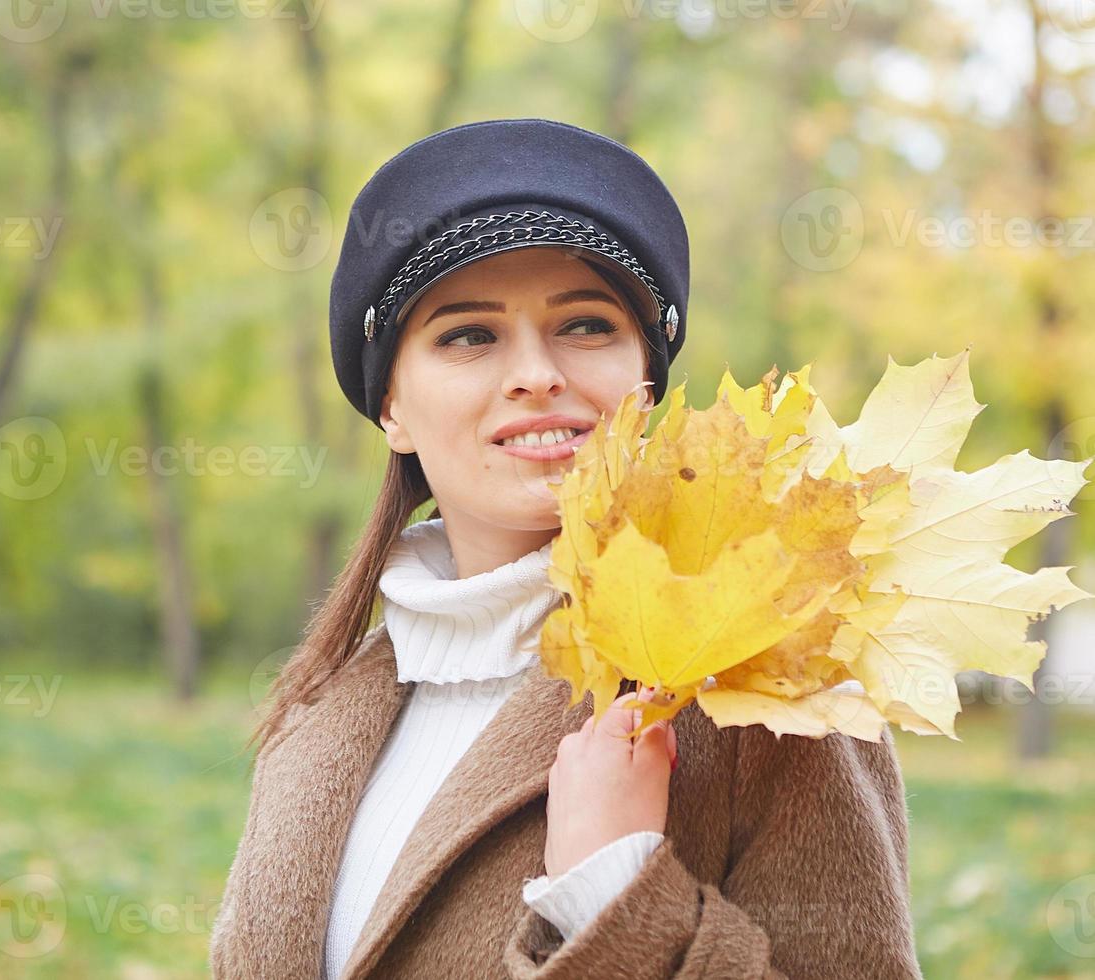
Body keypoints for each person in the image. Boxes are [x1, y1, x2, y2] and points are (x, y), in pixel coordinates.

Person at [210, 118, 921, 979]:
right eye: (468, 335)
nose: (536, 373)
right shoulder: (317, 712)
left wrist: (611, 893)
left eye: (586, 325)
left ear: (645, 385)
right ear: (391, 407)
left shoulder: (759, 684)